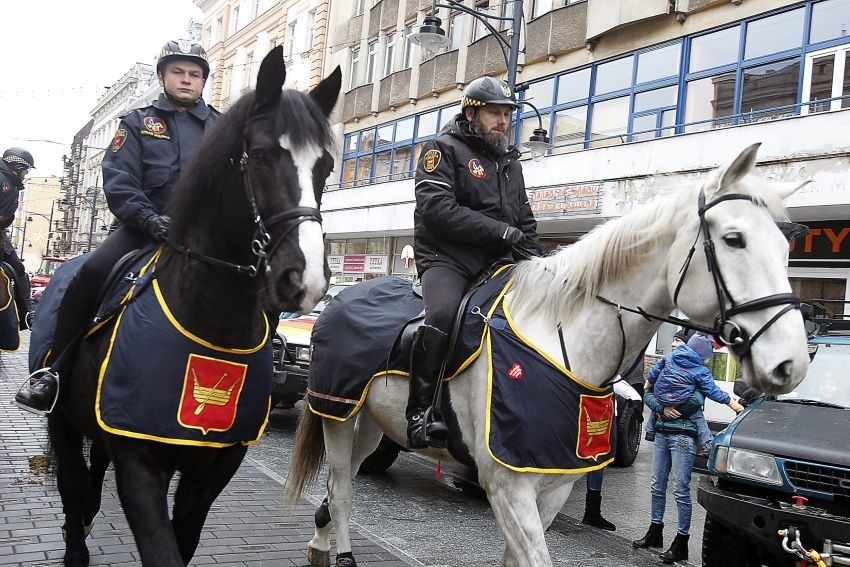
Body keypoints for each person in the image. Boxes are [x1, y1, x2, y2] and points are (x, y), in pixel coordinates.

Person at [15, 39, 219, 414]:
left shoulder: (221, 128)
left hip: (203, 240)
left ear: (203, 81)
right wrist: (149, 219)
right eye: (178, 72)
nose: (186, 80)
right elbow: (119, 178)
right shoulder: (138, 121)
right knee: (87, 275)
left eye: (194, 74)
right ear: (162, 76)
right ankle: (54, 373)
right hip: (143, 230)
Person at [408, 75, 544, 448]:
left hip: (497, 264)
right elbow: (437, 210)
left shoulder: (509, 163)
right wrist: (501, 233)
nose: (502, 121)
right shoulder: (442, 149)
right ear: (472, 112)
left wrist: (542, 263)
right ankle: (420, 412)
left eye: (506, 114)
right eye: (494, 113)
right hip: (447, 259)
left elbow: (525, 220)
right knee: (442, 316)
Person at [633, 333, 744, 564]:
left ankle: (681, 541)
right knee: (660, 485)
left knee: (679, 489)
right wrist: (662, 408)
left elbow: (690, 400)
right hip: (664, 432)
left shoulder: (670, 362)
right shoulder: (697, 370)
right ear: (704, 356)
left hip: (682, 436)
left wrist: (658, 401)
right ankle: (655, 531)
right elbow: (650, 397)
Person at [643, 331, 741, 455]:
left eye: (677, 341)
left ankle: (650, 431)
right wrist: (733, 404)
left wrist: (648, 384)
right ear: (703, 355)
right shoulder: (700, 370)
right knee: (698, 416)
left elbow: (653, 373)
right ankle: (709, 446)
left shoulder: (668, 357)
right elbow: (713, 391)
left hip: (661, 397)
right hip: (680, 407)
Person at [581, 379, 642, 531]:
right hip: (587, 411)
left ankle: (592, 512)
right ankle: (548, 510)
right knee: (568, 462)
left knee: (599, 461)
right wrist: (634, 395)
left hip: (603, 413)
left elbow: (612, 376)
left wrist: (634, 396)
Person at [0, 147, 35, 327]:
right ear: (16, 166)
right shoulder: (4, 182)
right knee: (18, 270)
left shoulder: (9, 183)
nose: (26, 174)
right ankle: (26, 313)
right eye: (25, 170)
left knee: (16, 270)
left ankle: (25, 313)